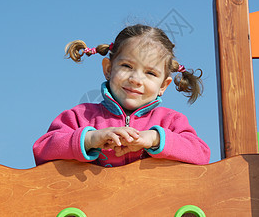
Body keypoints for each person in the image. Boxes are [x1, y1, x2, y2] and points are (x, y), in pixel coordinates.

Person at [33, 24, 210, 167]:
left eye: (150, 73)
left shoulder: (171, 121)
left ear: (163, 85)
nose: (136, 79)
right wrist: (90, 139)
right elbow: (42, 149)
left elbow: (201, 154)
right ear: (108, 69)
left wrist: (154, 138)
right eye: (127, 66)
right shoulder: (81, 116)